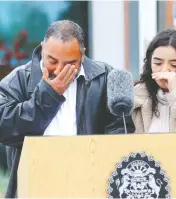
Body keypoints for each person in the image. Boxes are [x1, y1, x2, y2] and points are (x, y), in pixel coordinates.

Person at [0, 20, 135, 198]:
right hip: (36, 187)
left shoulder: (105, 77)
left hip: (90, 187)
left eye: (70, 63)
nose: (59, 70)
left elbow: (120, 132)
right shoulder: (18, 79)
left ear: (83, 54)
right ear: (42, 48)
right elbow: (4, 128)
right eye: (52, 60)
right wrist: (49, 95)